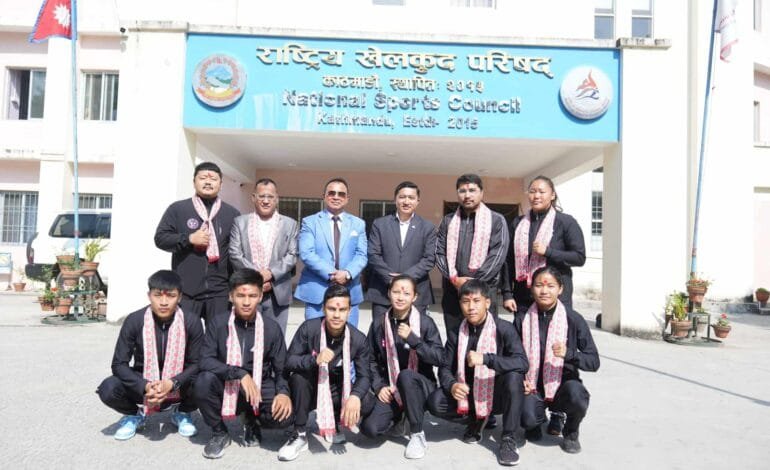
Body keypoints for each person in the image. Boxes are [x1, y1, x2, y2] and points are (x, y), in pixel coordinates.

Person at [426, 279, 528, 467]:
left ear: (487, 303)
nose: (471, 307)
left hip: (497, 394)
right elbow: (445, 368)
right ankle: (476, 419)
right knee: (436, 402)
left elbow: (522, 362)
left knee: (514, 376)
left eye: (476, 301)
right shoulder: (457, 332)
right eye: (465, 302)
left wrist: (487, 359)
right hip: (469, 392)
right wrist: (452, 385)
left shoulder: (504, 328)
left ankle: (508, 438)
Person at [195, 269, 294, 459]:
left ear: (260, 296)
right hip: (226, 381)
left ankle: (252, 420)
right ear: (231, 296)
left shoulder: (271, 328)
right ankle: (219, 432)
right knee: (202, 382)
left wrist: (283, 393)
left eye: (252, 296)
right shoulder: (218, 323)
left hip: (259, 385)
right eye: (241, 296)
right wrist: (239, 374)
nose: (246, 302)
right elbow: (205, 360)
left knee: (284, 417)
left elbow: (281, 368)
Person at [97, 270, 203, 441]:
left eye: (171, 296)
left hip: (178, 383)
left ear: (180, 297)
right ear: (149, 296)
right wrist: (144, 385)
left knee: (206, 382)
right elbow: (119, 364)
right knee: (108, 388)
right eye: (157, 295)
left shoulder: (191, 321)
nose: (163, 302)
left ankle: (183, 412)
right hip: (144, 382)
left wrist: (173, 382)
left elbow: (197, 363)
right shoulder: (135, 320)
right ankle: (134, 414)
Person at [278, 284, 371, 462]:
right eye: (332, 309)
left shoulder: (358, 339)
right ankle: (300, 433)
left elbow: (364, 375)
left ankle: (334, 422)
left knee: (365, 400)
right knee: (299, 378)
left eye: (342, 310)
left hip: (336, 390)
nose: (336, 315)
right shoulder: (309, 328)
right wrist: (314, 360)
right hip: (310, 389)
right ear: (323, 308)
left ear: (349, 311)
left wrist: (355, 396)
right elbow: (288, 362)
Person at [514, 266, 599, 454]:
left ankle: (571, 431)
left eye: (550, 286)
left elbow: (593, 362)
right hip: (532, 385)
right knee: (526, 417)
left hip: (563, 385)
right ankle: (534, 423)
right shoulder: (522, 318)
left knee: (577, 396)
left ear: (560, 289)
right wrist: (520, 379)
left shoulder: (573, 319)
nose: (544, 291)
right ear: (531, 288)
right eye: (539, 285)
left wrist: (570, 354)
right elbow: (511, 356)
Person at [360, 275, 444, 459]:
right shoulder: (379, 323)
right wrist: (379, 386)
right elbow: (370, 359)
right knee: (369, 429)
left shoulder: (425, 323)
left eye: (406, 293)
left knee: (406, 376)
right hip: (391, 387)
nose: (400, 297)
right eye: (396, 292)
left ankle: (417, 433)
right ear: (389, 293)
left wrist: (415, 341)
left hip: (421, 385)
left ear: (414, 297)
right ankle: (400, 416)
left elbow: (440, 358)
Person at [154, 162, 240, 326]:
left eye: (213, 179)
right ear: (194, 182)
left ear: (220, 184)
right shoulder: (178, 209)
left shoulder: (232, 214)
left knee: (218, 338)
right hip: (187, 291)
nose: (208, 182)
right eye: (202, 178)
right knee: (185, 336)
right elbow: (160, 238)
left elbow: (236, 252)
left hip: (219, 293)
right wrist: (188, 239)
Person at [436, 173, 509, 335]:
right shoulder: (448, 221)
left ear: (481, 193)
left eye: (472, 190)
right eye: (462, 191)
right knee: (455, 337)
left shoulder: (496, 220)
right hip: (453, 290)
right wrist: (454, 279)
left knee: (484, 338)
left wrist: (474, 282)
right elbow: (439, 252)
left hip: (483, 290)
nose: (467, 195)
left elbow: (497, 255)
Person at [502, 175, 586, 315]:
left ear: (552, 195)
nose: (536, 196)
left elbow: (579, 257)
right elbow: (508, 261)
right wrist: (507, 293)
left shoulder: (565, 222)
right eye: (532, 191)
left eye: (541, 192)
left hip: (556, 295)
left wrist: (548, 252)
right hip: (524, 296)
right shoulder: (518, 223)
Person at [294, 177, 367, 327]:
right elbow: (306, 253)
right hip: (317, 292)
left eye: (341, 194)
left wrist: (347, 273)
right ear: (324, 196)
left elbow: (362, 255)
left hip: (349, 290)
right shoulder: (310, 222)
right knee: (315, 336)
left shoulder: (358, 224)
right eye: (332, 193)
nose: (336, 197)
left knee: (349, 337)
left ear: (347, 198)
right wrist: (332, 274)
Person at [230, 178, 299, 334]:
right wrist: (257, 277)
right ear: (253, 197)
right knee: (245, 337)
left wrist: (270, 274)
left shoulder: (290, 224)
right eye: (262, 196)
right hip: (247, 290)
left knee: (276, 337)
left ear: (277, 199)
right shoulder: (240, 222)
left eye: (270, 197)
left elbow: (292, 255)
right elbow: (235, 254)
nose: (266, 201)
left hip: (277, 292)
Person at [366, 181, 436, 319]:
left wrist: (405, 279)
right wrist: (389, 277)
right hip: (383, 291)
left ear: (417, 201)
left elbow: (429, 259)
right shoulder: (380, 224)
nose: (406, 201)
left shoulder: (427, 227)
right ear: (395, 199)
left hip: (416, 292)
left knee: (413, 331)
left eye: (411, 197)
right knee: (381, 330)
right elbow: (373, 254)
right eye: (402, 197)